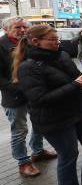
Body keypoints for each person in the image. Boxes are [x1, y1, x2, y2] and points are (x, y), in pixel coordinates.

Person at [14, 25, 82, 185]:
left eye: (57, 38)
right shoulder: (27, 67)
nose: (58, 42)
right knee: (68, 154)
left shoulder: (62, 55)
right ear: (36, 42)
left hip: (77, 110)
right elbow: (39, 99)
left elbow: (75, 78)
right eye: (53, 40)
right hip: (53, 119)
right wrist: (75, 84)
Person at [0, 17, 56, 176]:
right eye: (17, 27)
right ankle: (23, 162)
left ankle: (38, 151)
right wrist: (18, 88)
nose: (22, 30)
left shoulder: (30, 42)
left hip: (34, 93)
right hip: (14, 97)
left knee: (39, 122)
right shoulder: (1, 46)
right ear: (6, 29)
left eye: (24, 27)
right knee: (19, 130)